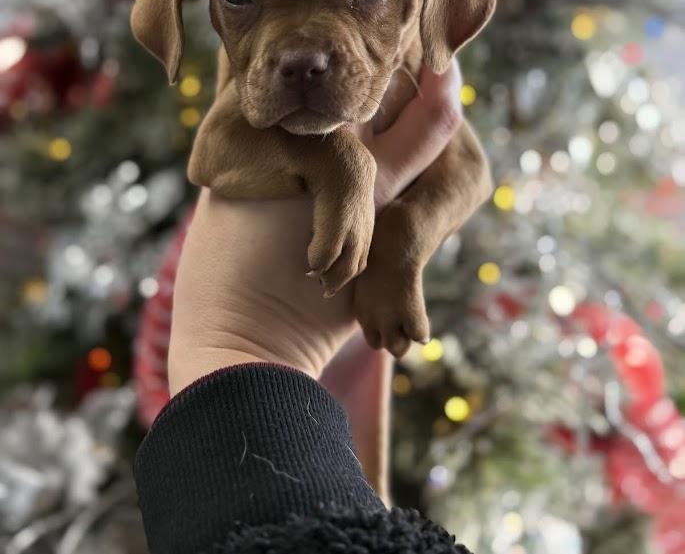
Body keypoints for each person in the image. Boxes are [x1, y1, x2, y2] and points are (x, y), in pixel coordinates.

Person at [134, 63, 472, 553]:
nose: (304, 54)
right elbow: (212, 152)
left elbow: (469, 170)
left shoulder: (415, 63)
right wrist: (342, 166)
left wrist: (240, 344)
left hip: (276, 398)